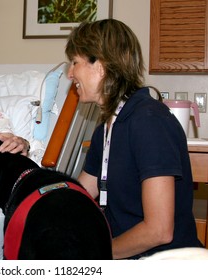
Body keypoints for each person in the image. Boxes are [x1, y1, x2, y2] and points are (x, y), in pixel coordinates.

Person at [65, 19, 203, 259]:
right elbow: (78, 195)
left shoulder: (149, 122)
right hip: (129, 257)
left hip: (167, 260)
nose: (70, 73)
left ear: (101, 65)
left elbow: (159, 231)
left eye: (75, 62)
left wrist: (97, 254)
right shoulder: (106, 129)